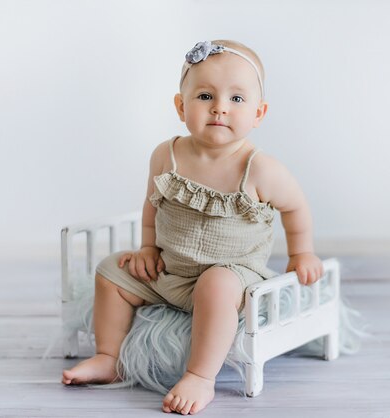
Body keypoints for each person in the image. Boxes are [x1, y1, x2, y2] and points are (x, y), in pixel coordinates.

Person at [62, 39, 325, 415]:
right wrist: (148, 249)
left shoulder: (260, 168)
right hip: (172, 269)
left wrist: (302, 253)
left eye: (237, 99)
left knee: (215, 283)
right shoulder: (166, 154)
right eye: (205, 95)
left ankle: (201, 376)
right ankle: (108, 356)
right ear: (181, 106)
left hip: (235, 275)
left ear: (259, 113)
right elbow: (152, 205)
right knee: (110, 271)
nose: (220, 107)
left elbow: (296, 208)